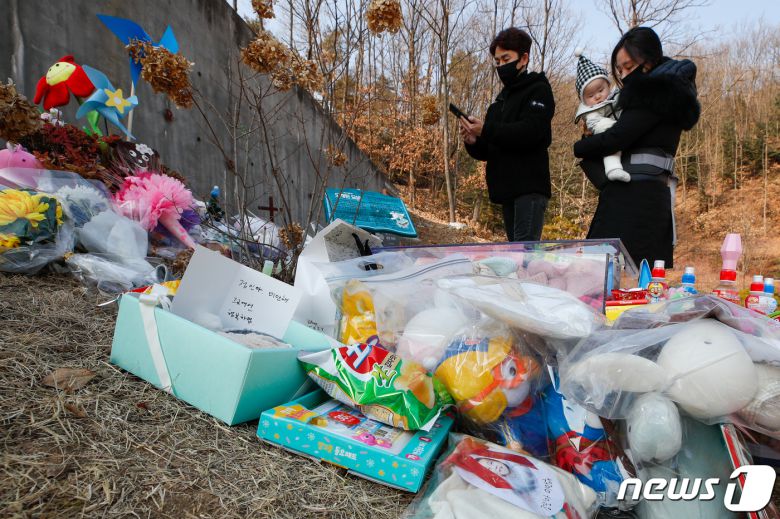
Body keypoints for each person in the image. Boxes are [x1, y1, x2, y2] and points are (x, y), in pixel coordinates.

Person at [573, 27, 700, 268]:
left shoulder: (655, 94)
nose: (624, 74)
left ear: (650, 61)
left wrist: (580, 146)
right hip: (647, 194)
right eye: (620, 70)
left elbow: (617, 138)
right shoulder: (665, 94)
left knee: (604, 274)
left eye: (629, 67)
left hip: (634, 199)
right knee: (635, 278)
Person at [460, 27, 555, 242]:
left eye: (506, 59)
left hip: (529, 187)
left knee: (524, 255)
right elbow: (490, 148)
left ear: (523, 59)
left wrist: (486, 129)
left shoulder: (538, 90)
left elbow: (531, 132)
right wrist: (473, 141)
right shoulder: (499, 103)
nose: (501, 66)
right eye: (498, 62)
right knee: (516, 253)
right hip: (506, 190)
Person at [572, 50, 629, 183]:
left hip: (625, 138)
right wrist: (616, 128)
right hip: (608, 134)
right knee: (609, 144)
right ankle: (613, 169)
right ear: (584, 100)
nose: (597, 96)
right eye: (591, 96)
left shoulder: (616, 96)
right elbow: (595, 123)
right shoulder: (590, 112)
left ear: (608, 86)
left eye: (600, 90)